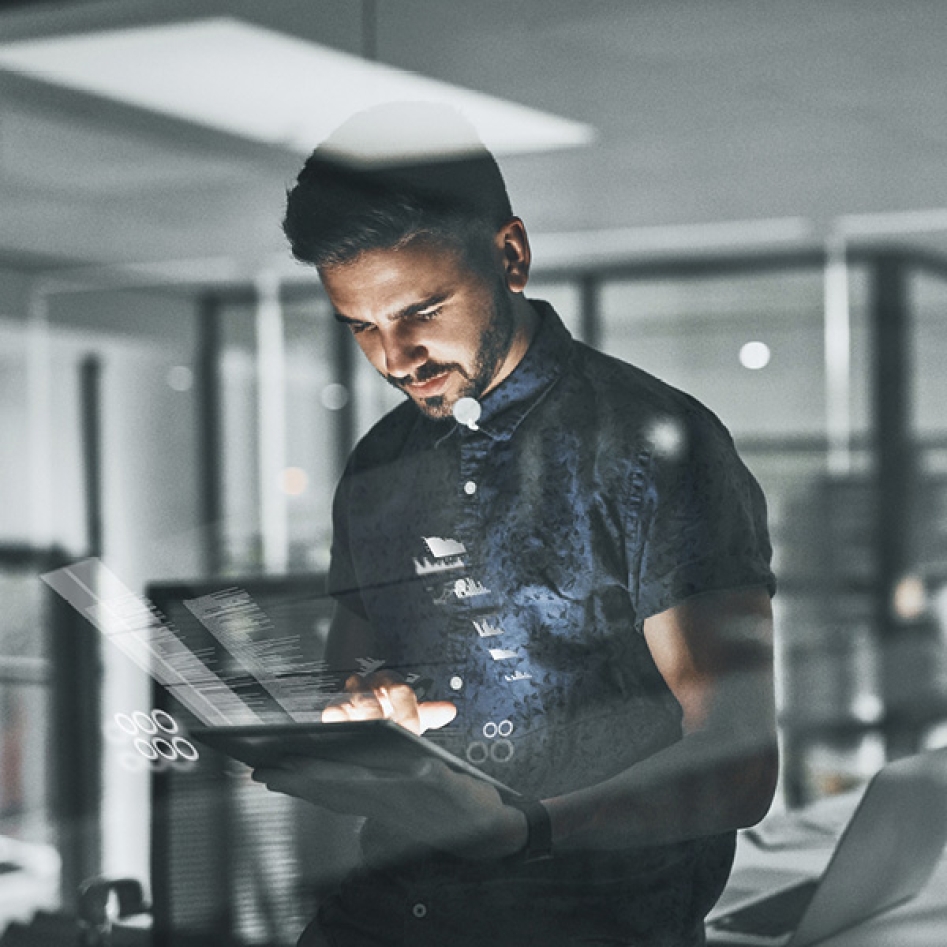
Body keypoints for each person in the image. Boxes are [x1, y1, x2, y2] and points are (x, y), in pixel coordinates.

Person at [254, 103, 778, 947]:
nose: (394, 358)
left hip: (581, 924)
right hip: (383, 914)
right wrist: (354, 714)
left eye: (420, 312)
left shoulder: (654, 448)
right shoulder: (378, 465)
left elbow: (739, 764)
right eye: (362, 326)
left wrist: (525, 824)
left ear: (511, 256)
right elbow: (345, 678)